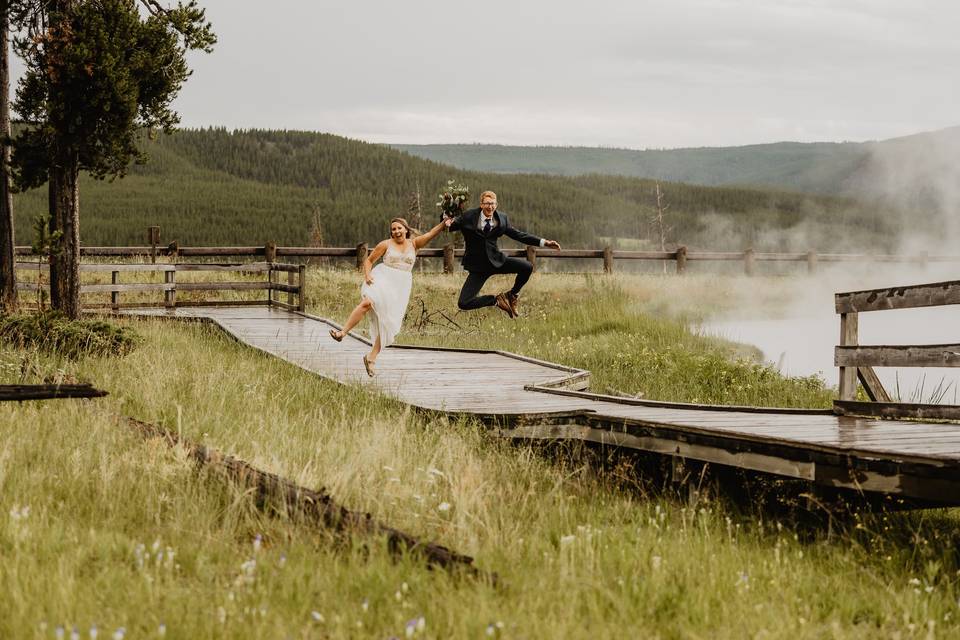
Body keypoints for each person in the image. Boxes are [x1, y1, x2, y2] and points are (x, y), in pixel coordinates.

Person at [329, 217, 447, 376]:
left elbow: (432, 233)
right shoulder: (385, 244)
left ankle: (371, 358)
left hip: (400, 287)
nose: (397, 231)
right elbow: (369, 261)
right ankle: (342, 333)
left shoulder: (414, 244)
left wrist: (444, 223)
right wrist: (367, 275)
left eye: (399, 228)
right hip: (382, 279)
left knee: (388, 324)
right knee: (367, 303)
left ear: (406, 230)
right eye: (393, 229)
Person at [444, 190, 561, 318]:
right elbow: (450, 225)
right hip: (478, 267)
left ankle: (512, 295)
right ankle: (496, 300)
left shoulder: (502, 219)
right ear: (481, 204)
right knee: (464, 303)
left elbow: (519, 235)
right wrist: (446, 219)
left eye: (493, 204)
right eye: (487, 203)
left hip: (497, 261)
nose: (490, 207)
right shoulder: (469, 216)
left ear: (497, 204)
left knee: (527, 267)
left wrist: (544, 242)